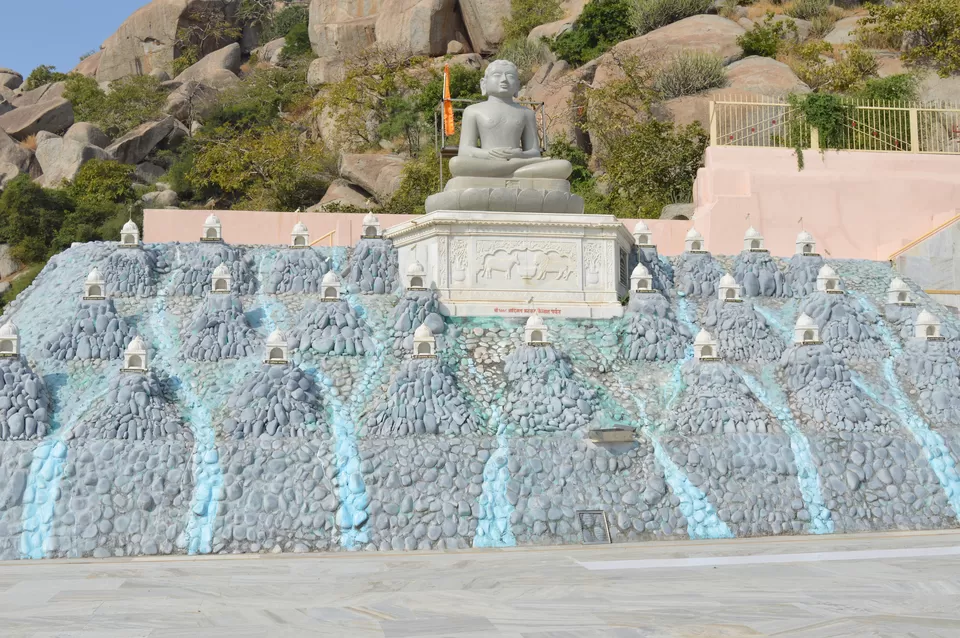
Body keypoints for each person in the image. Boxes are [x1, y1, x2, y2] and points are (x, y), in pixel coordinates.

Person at [449, 60, 572, 180]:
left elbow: (534, 152)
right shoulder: (473, 111)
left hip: (515, 161)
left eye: (510, 76)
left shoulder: (526, 113)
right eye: (497, 75)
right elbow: (465, 150)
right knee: (456, 163)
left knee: (564, 166)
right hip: (489, 162)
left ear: (517, 85)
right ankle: (514, 171)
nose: (504, 80)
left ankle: (506, 170)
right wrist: (488, 154)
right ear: (484, 83)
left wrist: (519, 155)